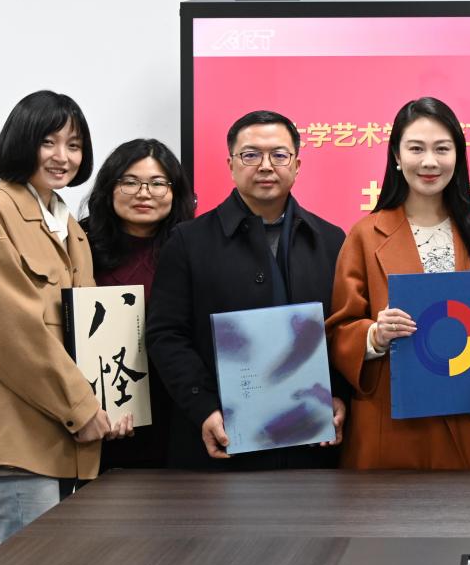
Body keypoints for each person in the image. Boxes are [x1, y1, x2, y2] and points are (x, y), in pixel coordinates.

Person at [0, 90, 131, 543]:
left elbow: (89, 330)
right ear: (22, 142)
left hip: (72, 439)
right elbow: (12, 333)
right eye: (48, 142)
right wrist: (83, 408)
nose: (62, 156)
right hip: (22, 439)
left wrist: (112, 407)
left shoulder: (69, 226)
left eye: (74, 145)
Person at [147, 110, 346, 470]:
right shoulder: (188, 241)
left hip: (312, 443)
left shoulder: (331, 240)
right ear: (231, 165)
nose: (266, 166)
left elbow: (343, 330)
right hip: (222, 439)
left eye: (279, 155)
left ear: (297, 165)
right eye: (251, 155)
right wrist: (204, 407)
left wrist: (339, 396)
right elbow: (166, 335)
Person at [326, 97, 470, 469]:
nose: (429, 162)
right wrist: (374, 335)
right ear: (396, 155)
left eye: (442, 149)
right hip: (392, 426)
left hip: (467, 420)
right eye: (416, 149)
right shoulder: (365, 235)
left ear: (458, 156)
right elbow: (338, 330)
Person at [81, 138, 195, 470]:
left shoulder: (194, 247)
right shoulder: (78, 243)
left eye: (158, 183)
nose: (144, 193)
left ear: (175, 192)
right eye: (130, 182)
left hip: (178, 411)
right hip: (100, 414)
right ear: (109, 187)